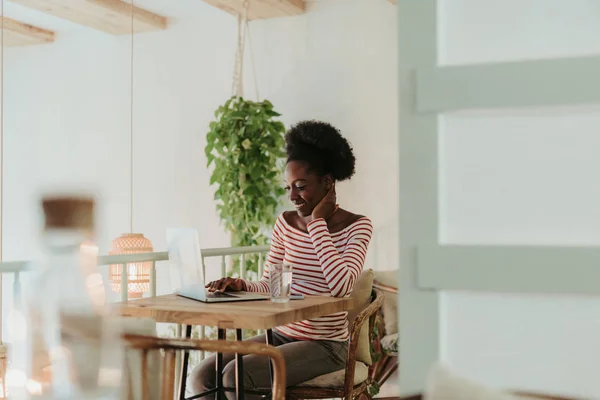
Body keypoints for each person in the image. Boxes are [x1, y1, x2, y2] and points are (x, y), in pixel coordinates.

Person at [189, 120, 373, 399]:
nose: (292, 197)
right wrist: (242, 285)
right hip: (282, 335)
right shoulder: (285, 223)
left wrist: (317, 223)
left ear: (327, 182)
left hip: (325, 344)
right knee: (203, 374)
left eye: (300, 186)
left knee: (236, 377)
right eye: (288, 187)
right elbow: (273, 286)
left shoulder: (357, 225)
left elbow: (341, 287)